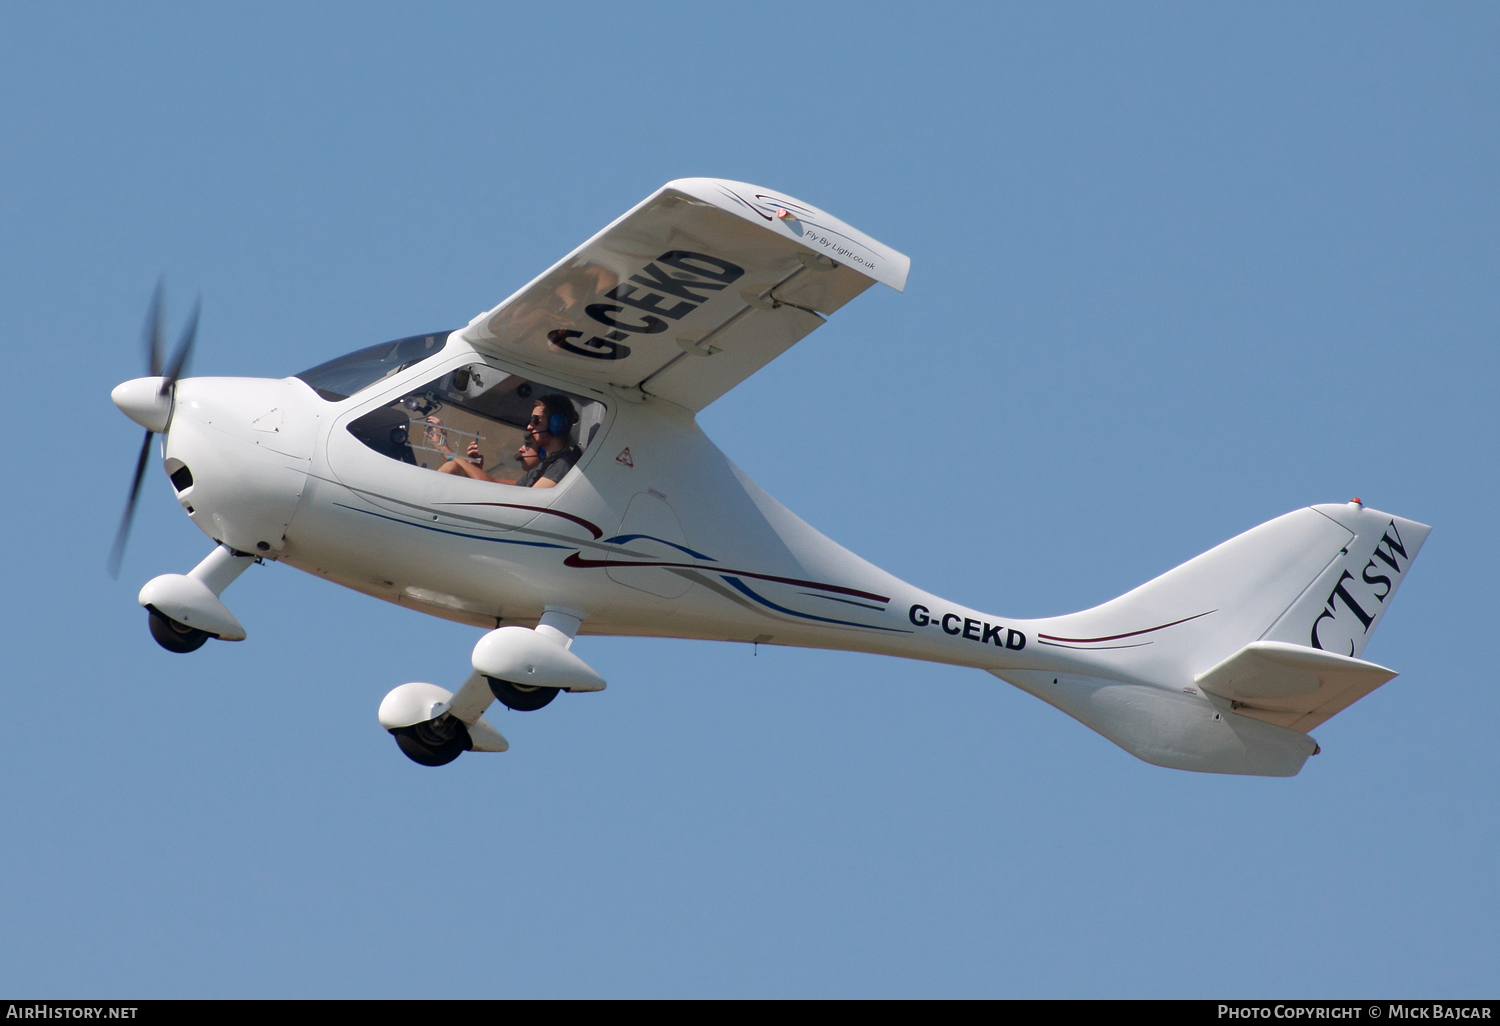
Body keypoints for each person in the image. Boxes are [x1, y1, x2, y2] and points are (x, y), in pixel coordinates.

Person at [429, 394, 580, 489]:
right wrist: (471, 468)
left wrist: (445, 450)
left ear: (557, 424)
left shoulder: (563, 464)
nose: (529, 426)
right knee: (454, 468)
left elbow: (527, 505)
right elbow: (498, 484)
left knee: (452, 466)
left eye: (535, 420)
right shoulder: (546, 465)